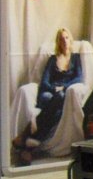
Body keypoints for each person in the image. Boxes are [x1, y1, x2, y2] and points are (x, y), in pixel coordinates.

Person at [12, 28, 84, 164]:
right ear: (58, 42)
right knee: (52, 104)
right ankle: (29, 143)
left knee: (59, 103)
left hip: (63, 92)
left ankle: (27, 137)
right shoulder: (52, 59)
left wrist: (63, 87)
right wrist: (54, 88)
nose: (64, 41)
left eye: (66, 38)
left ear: (70, 39)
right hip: (48, 92)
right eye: (61, 39)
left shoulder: (76, 58)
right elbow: (44, 81)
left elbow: (79, 79)